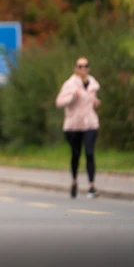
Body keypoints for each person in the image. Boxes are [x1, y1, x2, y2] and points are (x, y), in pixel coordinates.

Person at [55, 57, 101, 199]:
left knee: (89, 152)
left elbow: (92, 101)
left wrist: (96, 102)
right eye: (80, 66)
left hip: (90, 123)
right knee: (76, 154)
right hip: (73, 126)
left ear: (89, 68)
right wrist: (73, 96)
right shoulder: (69, 84)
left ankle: (92, 186)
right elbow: (59, 102)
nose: (83, 69)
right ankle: (74, 181)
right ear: (75, 68)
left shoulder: (93, 84)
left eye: (86, 66)